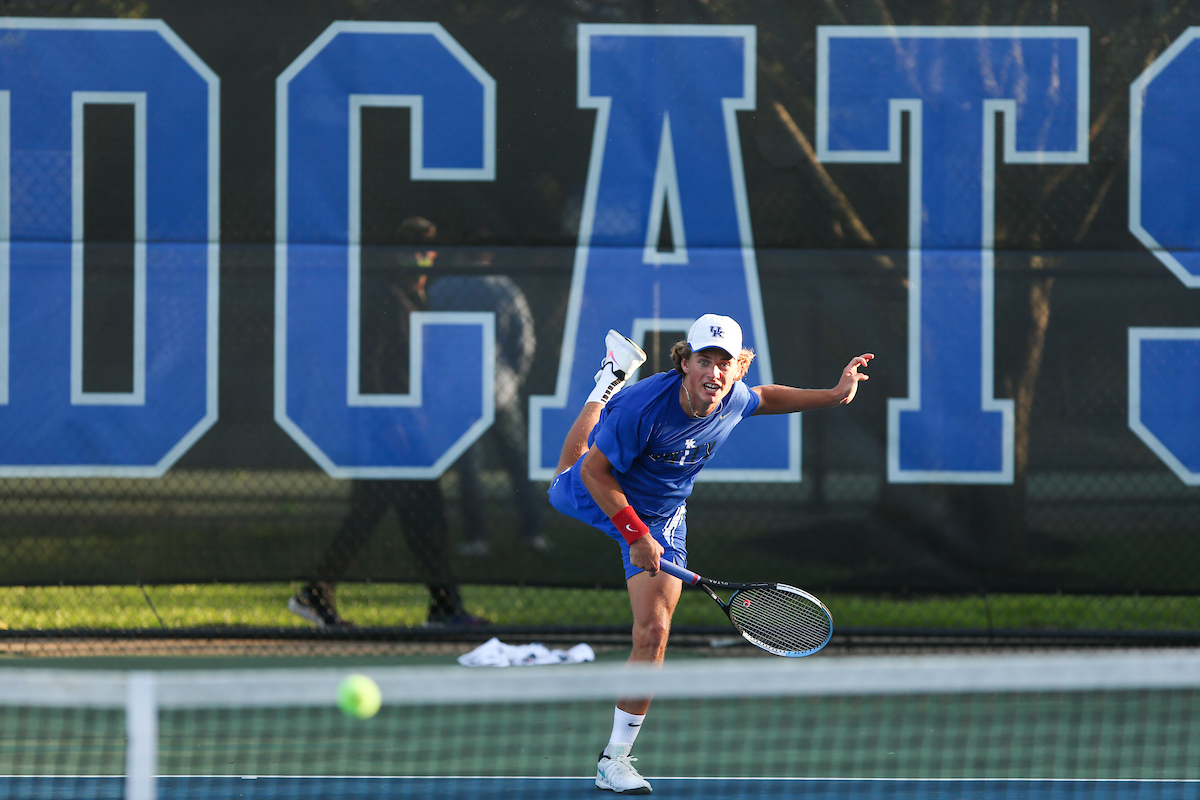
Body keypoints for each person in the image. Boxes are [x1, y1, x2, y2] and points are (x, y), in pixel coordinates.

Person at [548, 314, 872, 794]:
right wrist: (634, 534)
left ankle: (613, 759)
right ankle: (607, 383)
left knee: (654, 631)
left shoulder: (732, 397)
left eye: (724, 363)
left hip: (663, 515)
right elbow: (596, 473)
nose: (713, 374)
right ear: (685, 362)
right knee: (565, 477)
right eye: (704, 360)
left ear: (737, 368)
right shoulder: (645, 408)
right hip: (607, 492)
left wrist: (832, 394)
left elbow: (767, 397)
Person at [288, 217, 480, 628]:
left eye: (427, 251)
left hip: (405, 426)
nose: (423, 258)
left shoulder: (412, 297)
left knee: (391, 513)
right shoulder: (386, 297)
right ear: (397, 254)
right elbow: (371, 365)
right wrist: (389, 421)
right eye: (414, 250)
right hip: (389, 431)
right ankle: (443, 608)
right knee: (413, 512)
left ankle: (320, 593)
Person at [426, 246, 549, 555]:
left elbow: (430, 342)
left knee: (469, 468)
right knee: (517, 462)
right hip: (498, 388)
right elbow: (524, 341)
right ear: (488, 256)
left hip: (457, 392)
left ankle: (475, 538)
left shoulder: (442, 290)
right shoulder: (503, 288)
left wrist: (441, 384)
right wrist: (511, 378)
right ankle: (532, 532)